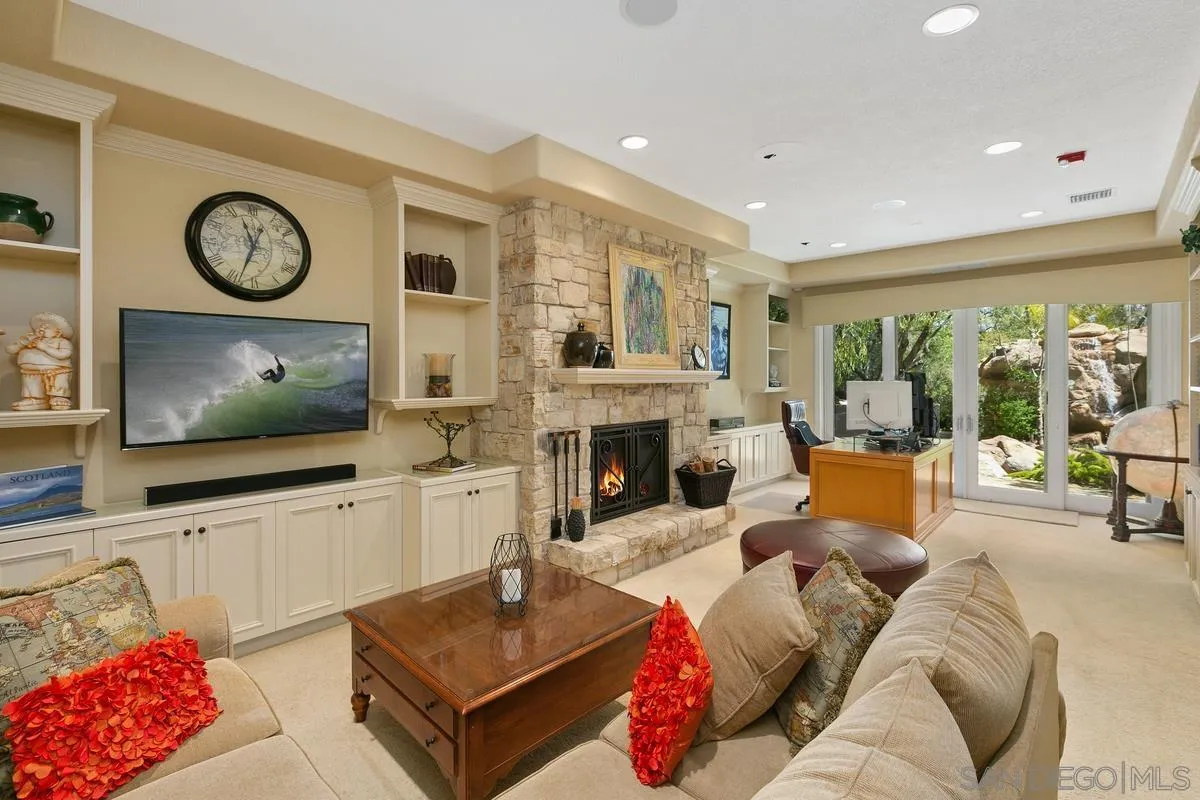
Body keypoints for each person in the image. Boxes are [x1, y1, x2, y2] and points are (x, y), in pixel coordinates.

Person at [5, 312, 74, 411]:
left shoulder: (61, 342)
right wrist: (23, 342)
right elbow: (10, 350)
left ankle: (58, 397)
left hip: (56, 371)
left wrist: (45, 347)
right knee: (32, 384)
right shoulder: (31, 339)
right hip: (30, 371)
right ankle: (36, 399)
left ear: (58, 332)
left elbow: (64, 354)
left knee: (58, 382)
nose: (41, 329)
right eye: (40, 327)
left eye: (46, 327)